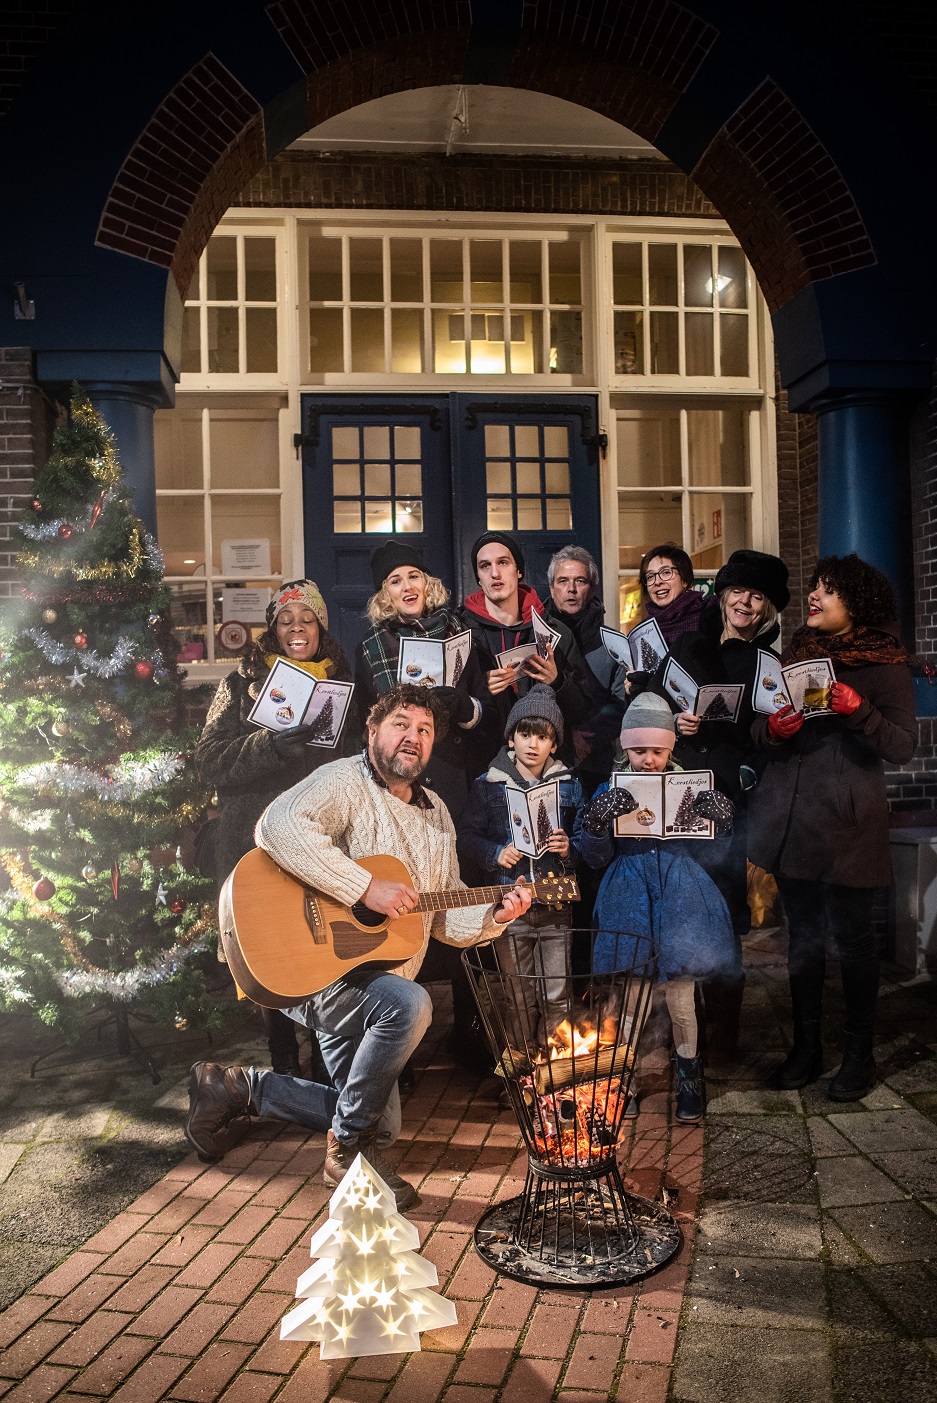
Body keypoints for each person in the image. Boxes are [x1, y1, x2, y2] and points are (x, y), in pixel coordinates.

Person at [184, 684, 532, 1210]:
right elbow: (276, 827)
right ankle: (345, 1152)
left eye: (424, 730)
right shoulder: (343, 780)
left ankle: (235, 1087)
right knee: (412, 1006)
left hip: (366, 977)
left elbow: (441, 915)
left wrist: (491, 914)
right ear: (372, 732)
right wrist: (363, 888)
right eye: (401, 725)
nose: (412, 737)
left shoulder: (436, 811)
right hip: (312, 968)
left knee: (381, 1126)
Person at [749, 554, 916, 1101]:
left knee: (855, 941)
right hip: (796, 820)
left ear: (857, 604)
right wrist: (773, 728)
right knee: (804, 941)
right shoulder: (793, 655)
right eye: (815, 586)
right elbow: (759, 728)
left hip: (847, 825)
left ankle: (859, 1055)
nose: (815, 596)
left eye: (830, 590)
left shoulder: (884, 663)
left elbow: (902, 745)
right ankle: (807, 1048)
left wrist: (859, 709)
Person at [194, 579, 355, 1076]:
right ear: (274, 629)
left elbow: (355, 759)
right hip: (254, 834)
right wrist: (269, 747)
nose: (296, 627)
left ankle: (326, 1057)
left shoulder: (342, 681)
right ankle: (281, 1050)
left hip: (316, 836)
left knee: (318, 938)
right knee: (267, 944)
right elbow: (209, 760)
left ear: (321, 626)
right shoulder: (240, 683)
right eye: (286, 620)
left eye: (306, 618)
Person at [647, 549, 791, 1062]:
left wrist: (744, 767)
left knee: (726, 915)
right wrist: (673, 720)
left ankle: (723, 1034)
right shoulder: (690, 643)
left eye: (757, 596)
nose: (745, 602)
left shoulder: (769, 665)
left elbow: (773, 739)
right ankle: (681, 1028)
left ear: (768, 607)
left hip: (728, 800)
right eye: (737, 591)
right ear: (723, 594)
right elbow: (648, 699)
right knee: (679, 907)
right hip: (678, 790)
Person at [576, 693, 737, 1122]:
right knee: (631, 1002)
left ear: (671, 748)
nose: (649, 759)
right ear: (625, 748)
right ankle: (623, 1082)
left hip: (681, 895)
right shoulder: (610, 786)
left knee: (682, 1000)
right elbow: (593, 857)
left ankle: (688, 1080)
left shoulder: (691, 784)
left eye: (658, 750)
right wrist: (596, 823)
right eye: (639, 750)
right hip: (628, 896)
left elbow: (715, 855)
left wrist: (720, 823)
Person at [458, 685, 585, 1043]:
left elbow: (586, 845)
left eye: (542, 737)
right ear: (510, 738)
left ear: (554, 744)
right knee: (517, 998)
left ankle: (554, 1075)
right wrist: (494, 852)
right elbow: (465, 837)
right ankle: (524, 1076)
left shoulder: (569, 787)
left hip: (555, 905)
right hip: (509, 909)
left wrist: (567, 848)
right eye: (524, 734)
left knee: (557, 997)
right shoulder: (488, 785)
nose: (532, 744)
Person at [355, 539, 494, 821]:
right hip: (397, 781)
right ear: (385, 594)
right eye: (395, 581)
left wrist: (462, 706)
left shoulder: (459, 633)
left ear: (426, 583)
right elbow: (363, 725)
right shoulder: (371, 647)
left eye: (414, 576)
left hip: (452, 776)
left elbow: (488, 713)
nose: (407, 587)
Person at [460, 531, 591, 762]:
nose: (495, 573)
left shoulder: (556, 631)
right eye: (484, 566)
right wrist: (480, 688)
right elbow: (446, 706)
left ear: (518, 570)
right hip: (480, 764)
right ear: (478, 577)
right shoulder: (460, 630)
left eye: (503, 562)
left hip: (544, 768)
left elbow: (582, 711)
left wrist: (557, 682)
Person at [542, 544, 624, 795]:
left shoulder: (613, 642)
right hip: (542, 762)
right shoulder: (535, 636)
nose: (571, 589)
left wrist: (586, 736)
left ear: (592, 588)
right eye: (563, 581)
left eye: (580, 581)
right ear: (552, 588)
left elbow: (619, 703)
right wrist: (565, 738)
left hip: (597, 763)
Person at [615, 543, 706, 702]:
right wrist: (633, 688)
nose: (657, 582)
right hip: (657, 720)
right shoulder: (642, 633)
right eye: (650, 576)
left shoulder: (707, 618)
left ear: (685, 579)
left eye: (666, 573)